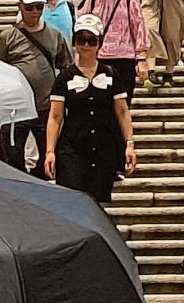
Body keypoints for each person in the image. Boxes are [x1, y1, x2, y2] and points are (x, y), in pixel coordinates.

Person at [45, 13, 135, 205]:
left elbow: (122, 112)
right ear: (74, 42)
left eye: (91, 40)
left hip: (104, 149)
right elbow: (55, 116)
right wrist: (50, 151)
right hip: (72, 149)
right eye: (81, 40)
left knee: (99, 201)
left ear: (99, 43)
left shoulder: (110, 74)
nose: (85, 46)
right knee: (73, 201)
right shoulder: (64, 78)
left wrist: (129, 144)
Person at [0, 0, 63, 172]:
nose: (34, 11)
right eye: (29, 7)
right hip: (16, 109)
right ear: (20, 6)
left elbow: (66, 67)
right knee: (13, 157)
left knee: (47, 160)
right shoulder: (7, 37)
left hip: (45, 108)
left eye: (39, 7)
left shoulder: (55, 36)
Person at [89, 0, 152, 101]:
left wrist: (142, 59)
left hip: (124, 58)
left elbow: (139, 28)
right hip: (99, 57)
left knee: (122, 103)